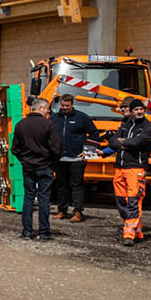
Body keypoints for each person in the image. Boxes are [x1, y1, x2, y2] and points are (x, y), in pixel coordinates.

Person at [11, 97, 60, 240]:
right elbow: (56, 148)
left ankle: (27, 231)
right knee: (44, 199)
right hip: (45, 166)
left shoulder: (20, 125)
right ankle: (44, 232)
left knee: (28, 198)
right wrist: (52, 164)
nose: (48, 112)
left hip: (28, 167)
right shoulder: (48, 125)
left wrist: (24, 161)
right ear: (41, 108)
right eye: (47, 109)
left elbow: (15, 149)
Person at [110, 97, 151, 246]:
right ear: (131, 111)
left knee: (133, 201)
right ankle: (137, 231)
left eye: (141, 109)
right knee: (121, 200)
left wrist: (122, 142)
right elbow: (112, 142)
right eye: (136, 109)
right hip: (120, 168)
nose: (139, 112)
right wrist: (123, 143)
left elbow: (138, 142)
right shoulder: (125, 125)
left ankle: (129, 234)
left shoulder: (148, 127)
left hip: (136, 168)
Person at [50, 94, 100, 222]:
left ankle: (78, 212)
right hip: (60, 159)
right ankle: (62, 210)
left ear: (72, 105)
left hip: (77, 159)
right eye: (62, 106)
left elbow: (94, 133)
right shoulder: (54, 118)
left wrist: (88, 151)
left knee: (76, 185)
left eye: (67, 106)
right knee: (61, 185)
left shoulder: (82, 117)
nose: (65, 108)